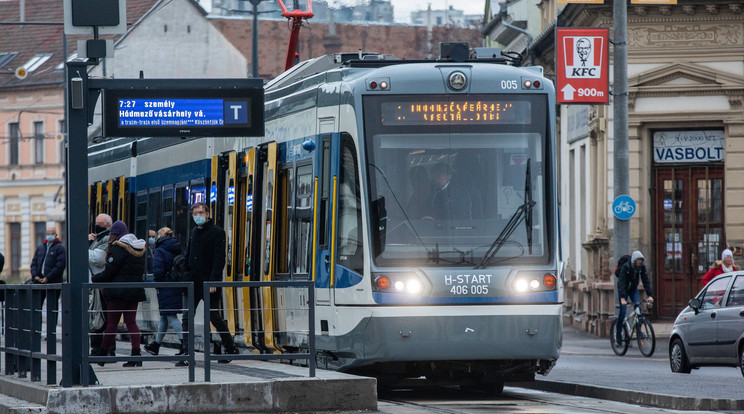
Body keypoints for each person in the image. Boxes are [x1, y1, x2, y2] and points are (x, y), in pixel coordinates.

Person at [182, 202, 239, 360]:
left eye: (201, 213)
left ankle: (230, 348)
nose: (198, 216)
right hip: (192, 281)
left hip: (208, 282)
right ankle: (186, 352)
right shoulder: (194, 231)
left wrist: (213, 281)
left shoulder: (217, 232)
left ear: (207, 214)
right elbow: (188, 254)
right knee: (187, 317)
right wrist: (185, 273)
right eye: (195, 213)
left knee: (214, 316)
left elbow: (218, 259)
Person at [91, 221, 147, 367]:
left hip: (118, 292)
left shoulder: (118, 248)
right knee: (131, 323)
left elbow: (110, 271)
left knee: (112, 324)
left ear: (115, 233)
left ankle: (102, 355)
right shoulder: (138, 247)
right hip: (134, 291)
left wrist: (95, 279)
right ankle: (136, 356)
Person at [144, 227, 187, 366]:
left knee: (171, 316)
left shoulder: (160, 250)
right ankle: (156, 345)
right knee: (164, 316)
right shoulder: (177, 247)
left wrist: (158, 284)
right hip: (175, 284)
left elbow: (158, 271)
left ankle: (184, 344)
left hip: (165, 285)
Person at [616, 251, 654, 345]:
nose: (640, 262)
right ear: (634, 260)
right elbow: (621, 282)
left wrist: (649, 295)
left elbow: (646, 281)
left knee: (639, 310)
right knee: (622, 312)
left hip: (633, 289)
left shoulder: (641, 268)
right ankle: (618, 336)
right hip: (624, 289)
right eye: (638, 260)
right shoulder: (626, 267)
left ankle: (638, 331)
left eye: (641, 260)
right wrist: (622, 298)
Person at [88, 214, 114, 356]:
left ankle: (108, 350)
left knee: (106, 317)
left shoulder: (108, 239)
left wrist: (84, 250)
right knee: (96, 316)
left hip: (104, 284)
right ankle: (97, 349)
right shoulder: (97, 238)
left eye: (101, 224)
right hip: (95, 284)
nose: (98, 226)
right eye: (96, 223)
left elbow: (98, 259)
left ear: (109, 225)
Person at [29, 226, 66, 313]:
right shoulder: (40, 248)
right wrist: (35, 276)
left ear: (56, 235)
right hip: (38, 282)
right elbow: (34, 263)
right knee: (36, 307)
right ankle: (36, 326)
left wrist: (48, 277)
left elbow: (60, 266)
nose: (50, 235)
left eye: (52, 233)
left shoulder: (60, 248)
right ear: (45, 235)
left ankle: (52, 326)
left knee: (52, 308)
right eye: (48, 233)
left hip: (53, 282)